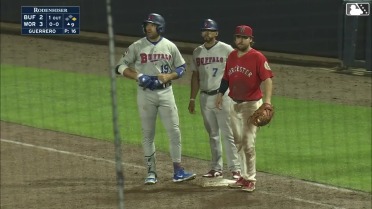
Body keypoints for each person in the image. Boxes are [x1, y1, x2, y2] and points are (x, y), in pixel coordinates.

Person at [115, 13, 196, 185]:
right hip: (145, 94)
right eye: (147, 25)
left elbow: (181, 67)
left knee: (174, 131)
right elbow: (119, 66)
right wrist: (138, 76)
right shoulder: (137, 46)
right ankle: (151, 172)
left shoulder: (169, 46)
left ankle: (178, 171)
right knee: (147, 133)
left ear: (160, 27)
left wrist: (170, 76)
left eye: (152, 25)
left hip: (166, 93)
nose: (148, 28)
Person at [215, 25, 274, 192]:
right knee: (238, 142)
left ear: (250, 40)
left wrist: (267, 103)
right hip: (234, 103)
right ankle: (242, 176)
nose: (239, 40)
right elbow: (226, 77)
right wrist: (220, 94)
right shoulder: (232, 56)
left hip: (251, 105)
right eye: (237, 37)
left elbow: (268, 80)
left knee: (248, 143)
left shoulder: (258, 57)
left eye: (243, 37)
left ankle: (251, 179)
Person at [188, 19, 241, 179]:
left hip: (223, 96)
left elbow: (236, 72)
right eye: (204, 30)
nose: (207, 33)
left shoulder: (227, 49)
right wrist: (192, 99)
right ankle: (216, 168)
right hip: (205, 97)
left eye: (210, 30)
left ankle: (235, 168)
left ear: (216, 33)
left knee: (227, 133)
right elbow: (195, 76)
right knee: (213, 134)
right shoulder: (197, 52)